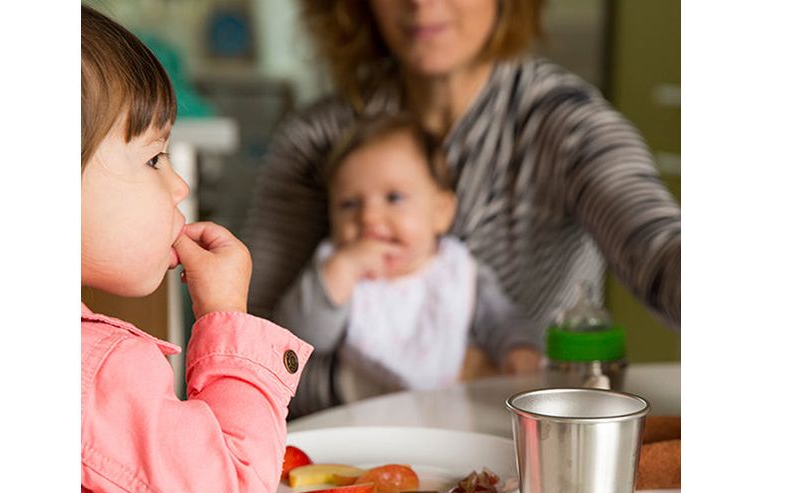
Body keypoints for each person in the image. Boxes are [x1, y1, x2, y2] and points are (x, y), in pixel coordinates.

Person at [243, 0, 681, 418]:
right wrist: (418, 380)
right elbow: (255, 356)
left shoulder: (570, 126)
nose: (420, 3)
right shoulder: (316, 139)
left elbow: (658, 252)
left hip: (520, 443)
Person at [81, 6, 312, 493]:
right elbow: (233, 486)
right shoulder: (97, 370)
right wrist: (225, 315)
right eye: (154, 158)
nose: (179, 185)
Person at [274, 113, 542, 402]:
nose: (369, 217)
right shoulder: (338, 267)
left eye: (394, 198)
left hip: (452, 412)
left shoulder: (457, 271)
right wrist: (342, 270)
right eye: (349, 204)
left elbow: (501, 319)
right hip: (363, 418)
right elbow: (296, 339)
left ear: (441, 212)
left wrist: (518, 348)